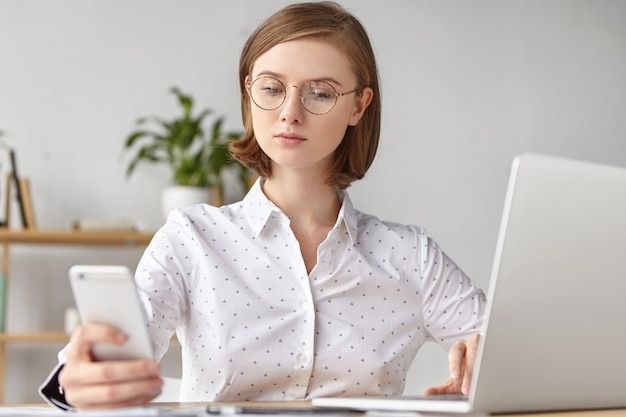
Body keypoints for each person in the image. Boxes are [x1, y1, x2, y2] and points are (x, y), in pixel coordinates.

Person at [40, 1, 486, 410]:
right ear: (250, 90)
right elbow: (106, 357)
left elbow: (505, 351)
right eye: (272, 88)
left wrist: (485, 367)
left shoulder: (410, 256)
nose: (290, 111)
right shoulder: (191, 239)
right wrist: (82, 380)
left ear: (358, 106)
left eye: (321, 92)